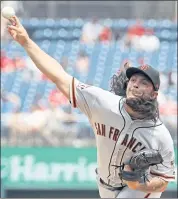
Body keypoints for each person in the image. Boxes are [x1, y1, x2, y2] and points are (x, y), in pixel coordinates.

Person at [7, 16, 175, 198]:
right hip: (104, 186)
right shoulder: (102, 103)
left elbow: (163, 181)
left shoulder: (159, 135)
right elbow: (59, 76)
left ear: (154, 94)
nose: (135, 84)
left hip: (136, 191)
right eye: (133, 80)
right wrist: (26, 42)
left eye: (143, 82)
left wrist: (138, 183)